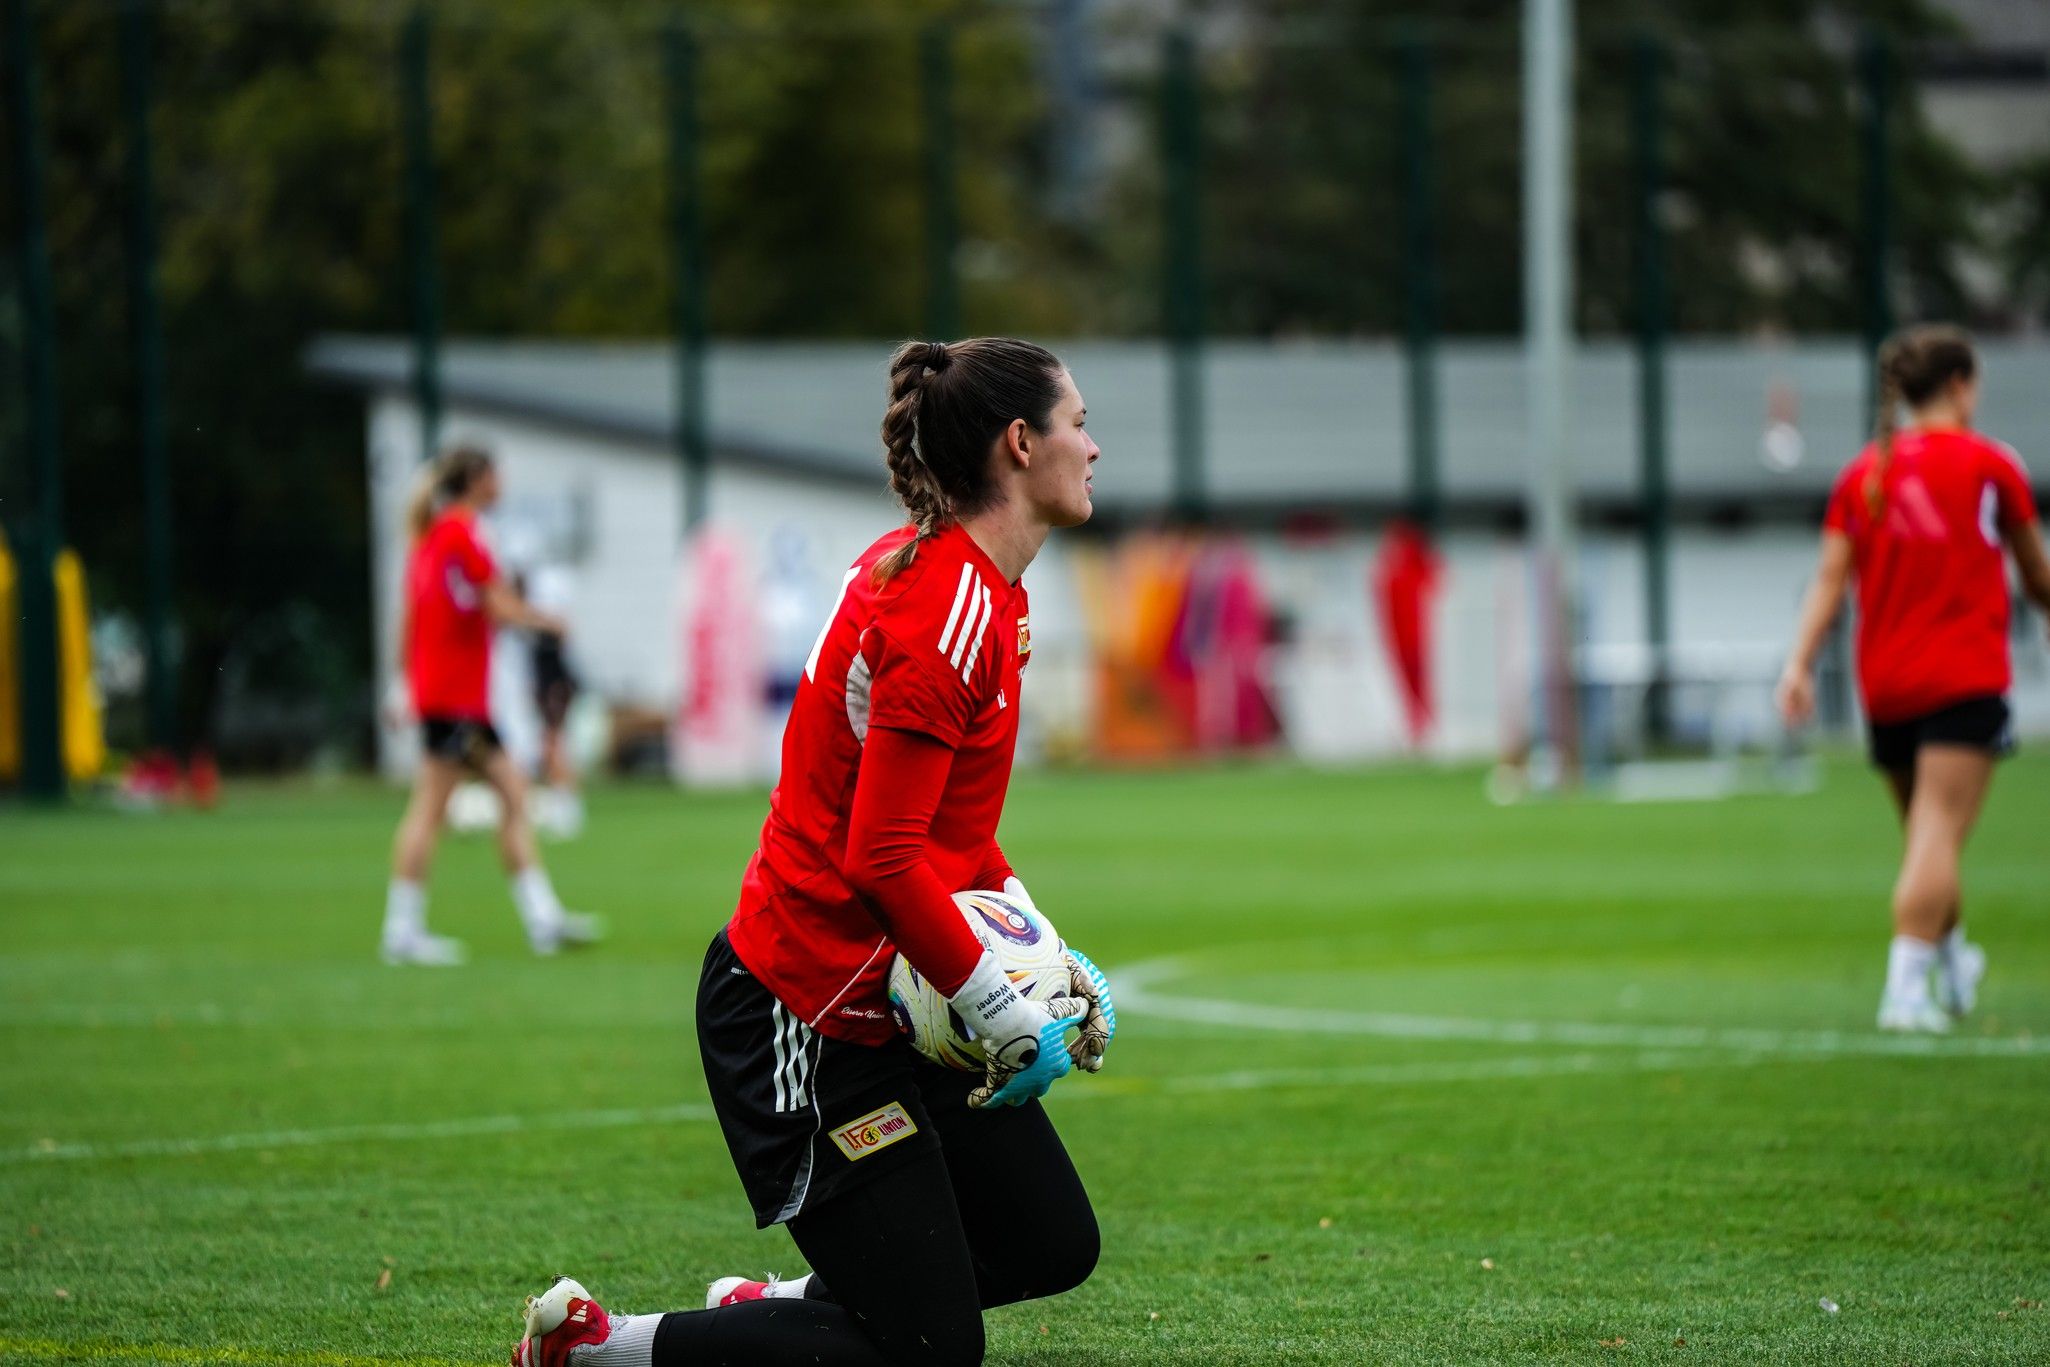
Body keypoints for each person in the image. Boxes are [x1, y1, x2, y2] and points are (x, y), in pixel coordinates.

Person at [510, 339, 1115, 1367]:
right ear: (1021, 444)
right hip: (805, 1006)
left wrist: (1044, 947)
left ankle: (780, 1301)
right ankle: (599, 1350)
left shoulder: (982, 590)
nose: (1094, 448)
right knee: (930, 1351)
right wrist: (1003, 1007)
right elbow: (882, 858)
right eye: (1078, 423)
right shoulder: (944, 612)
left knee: (1050, 1241)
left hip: (890, 993)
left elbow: (946, 828)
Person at [1777, 325, 2050, 1033]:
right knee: (1937, 832)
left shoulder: (1866, 472)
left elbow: (1829, 582)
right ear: (1961, 385)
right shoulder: (1992, 465)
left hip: (1887, 683)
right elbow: (2037, 574)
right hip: (1962, 675)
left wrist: (1799, 663)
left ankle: (1953, 958)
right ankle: (1904, 991)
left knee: (1928, 835)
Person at [382, 444, 603, 965]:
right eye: (495, 473)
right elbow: (497, 602)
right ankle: (405, 930)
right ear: (478, 479)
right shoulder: (463, 531)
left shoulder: (431, 535)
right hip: (457, 698)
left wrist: (402, 683)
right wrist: (547, 621)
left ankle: (540, 920)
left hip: (447, 696)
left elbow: (411, 618)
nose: (502, 481)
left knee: (504, 795)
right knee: (451, 803)